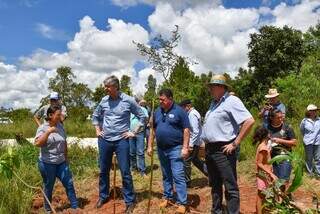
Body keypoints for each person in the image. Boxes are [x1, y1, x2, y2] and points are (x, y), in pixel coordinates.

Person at [92, 75, 146, 213]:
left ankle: (129, 200)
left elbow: (142, 116)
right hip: (105, 140)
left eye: (107, 87)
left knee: (125, 171)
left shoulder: (128, 100)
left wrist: (133, 132)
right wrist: (98, 130)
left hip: (122, 140)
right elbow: (95, 116)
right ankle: (103, 196)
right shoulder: (104, 101)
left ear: (115, 87)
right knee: (103, 170)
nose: (105, 89)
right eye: (105, 86)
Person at [201, 74, 255, 214]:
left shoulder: (232, 100)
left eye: (212, 87)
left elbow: (249, 121)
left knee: (230, 186)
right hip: (210, 149)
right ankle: (216, 211)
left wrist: (235, 143)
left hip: (223, 149)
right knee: (215, 184)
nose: (210, 89)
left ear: (221, 87)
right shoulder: (213, 104)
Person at [147, 88, 190, 214]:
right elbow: (152, 130)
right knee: (166, 175)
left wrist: (185, 147)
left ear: (170, 99)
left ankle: (182, 203)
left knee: (178, 175)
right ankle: (168, 197)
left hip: (176, 148)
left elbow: (186, 130)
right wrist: (149, 145)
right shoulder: (157, 112)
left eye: (163, 99)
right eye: (159, 99)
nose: (160, 101)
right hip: (161, 149)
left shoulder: (180, 111)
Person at [34, 105, 78, 213]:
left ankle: (75, 207)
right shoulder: (42, 128)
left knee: (69, 182)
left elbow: (64, 142)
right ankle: (48, 210)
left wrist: (66, 158)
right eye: (58, 114)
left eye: (60, 114)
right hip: (47, 163)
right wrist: (48, 132)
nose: (60, 116)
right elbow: (37, 143)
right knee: (49, 186)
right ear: (50, 115)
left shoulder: (60, 126)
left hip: (61, 162)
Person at [179, 99, 208, 187]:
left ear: (188, 106)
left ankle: (186, 182)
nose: (182, 110)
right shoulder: (192, 113)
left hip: (194, 142)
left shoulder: (192, 114)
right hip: (195, 141)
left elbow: (195, 131)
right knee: (195, 160)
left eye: (183, 108)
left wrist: (191, 145)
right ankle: (211, 174)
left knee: (186, 161)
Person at [266, 109, 296, 187]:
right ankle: (277, 197)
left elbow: (294, 143)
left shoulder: (287, 127)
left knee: (283, 180)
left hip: (285, 157)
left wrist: (280, 140)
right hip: (271, 158)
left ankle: (285, 196)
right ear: (271, 118)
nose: (281, 119)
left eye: (281, 117)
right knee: (274, 180)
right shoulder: (266, 127)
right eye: (278, 118)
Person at [253, 126, 278, 214]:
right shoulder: (263, 147)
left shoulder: (262, 146)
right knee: (261, 196)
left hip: (263, 174)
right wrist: (271, 174)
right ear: (266, 135)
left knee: (262, 195)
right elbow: (259, 163)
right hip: (263, 175)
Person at [129, 98, 149, 176]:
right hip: (130, 133)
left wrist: (143, 126)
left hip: (139, 133)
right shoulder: (130, 110)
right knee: (131, 152)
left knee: (140, 152)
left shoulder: (143, 109)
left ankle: (142, 171)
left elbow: (146, 119)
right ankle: (133, 168)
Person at [300, 104, 320, 177]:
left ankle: (318, 173)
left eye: (315, 110)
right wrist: (307, 137)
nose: (314, 112)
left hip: (318, 142)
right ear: (309, 111)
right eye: (312, 110)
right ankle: (310, 173)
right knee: (309, 158)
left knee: (318, 158)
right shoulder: (304, 121)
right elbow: (302, 130)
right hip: (308, 142)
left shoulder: (319, 120)